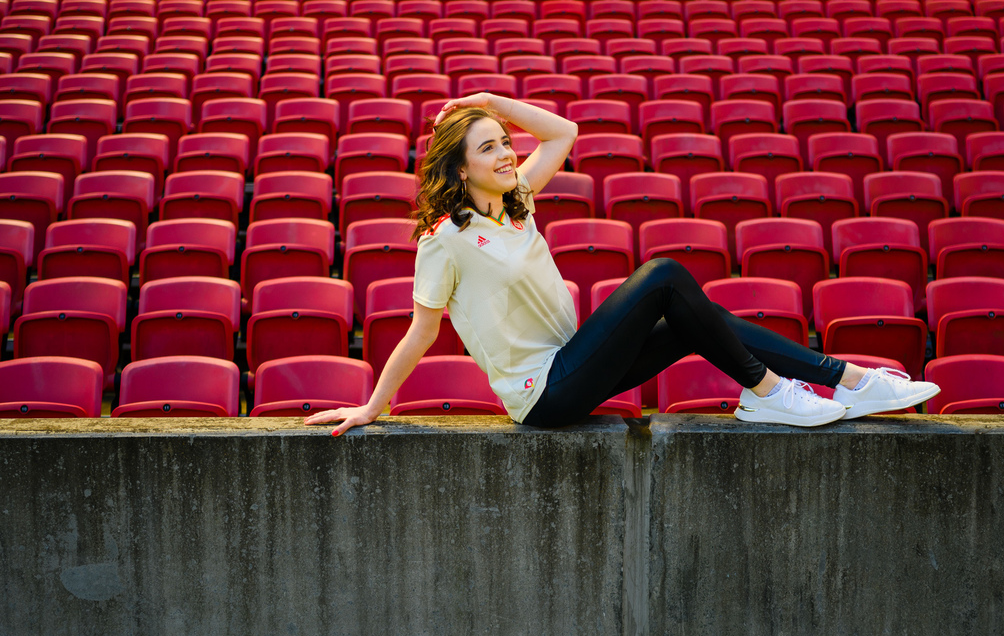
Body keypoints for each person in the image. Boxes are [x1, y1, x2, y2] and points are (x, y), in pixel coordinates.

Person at [305, 93, 939, 435]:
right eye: (489, 147)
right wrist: (372, 407)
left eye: (504, 142)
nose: (505, 153)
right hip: (542, 394)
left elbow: (563, 132)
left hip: (577, 358)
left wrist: (494, 99)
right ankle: (773, 392)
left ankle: (849, 380)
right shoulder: (443, 238)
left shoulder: (516, 202)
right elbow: (421, 331)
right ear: (459, 166)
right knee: (664, 275)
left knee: (699, 318)